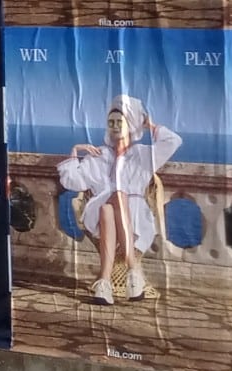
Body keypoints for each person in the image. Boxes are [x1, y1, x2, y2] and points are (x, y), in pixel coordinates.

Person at [57, 94, 182, 304]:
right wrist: (75, 151)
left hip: (134, 214)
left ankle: (104, 283)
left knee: (113, 204)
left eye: (120, 122)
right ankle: (134, 272)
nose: (114, 126)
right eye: (111, 122)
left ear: (131, 125)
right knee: (110, 202)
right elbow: (72, 182)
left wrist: (149, 124)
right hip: (98, 211)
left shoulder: (143, 154)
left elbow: (173, 141)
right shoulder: (99, 154)